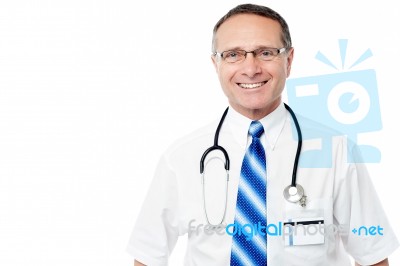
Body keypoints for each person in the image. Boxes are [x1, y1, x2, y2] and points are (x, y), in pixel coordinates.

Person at [127, 4, 398, 265]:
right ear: (216, 64)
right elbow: (149, 256)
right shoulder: (181, 158)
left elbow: (372, 255)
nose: (251, 68)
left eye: (266, 52)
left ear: (289, 60)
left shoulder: (337, 151)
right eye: (233, 54)